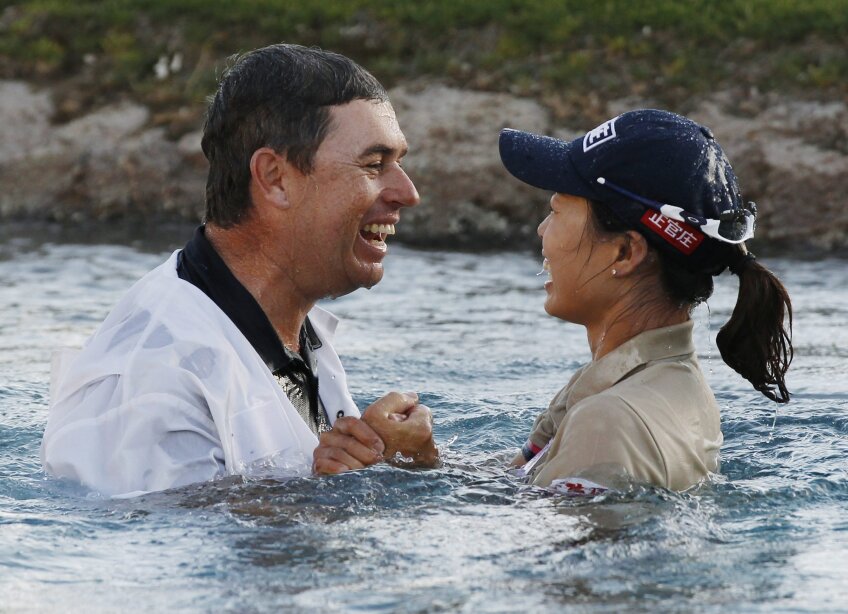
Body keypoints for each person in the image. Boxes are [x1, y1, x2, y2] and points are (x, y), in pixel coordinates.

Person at [41, 43, 438, 497]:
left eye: (399, 163)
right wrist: (324, 496)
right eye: (374, 164)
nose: (407, 192)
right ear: (274, 177)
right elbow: (168, 549)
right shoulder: (155, 378)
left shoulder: (284, 326)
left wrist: (409, 462)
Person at [498, 109, 793, 492]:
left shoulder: (608, 424)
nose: (542, 231)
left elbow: (562, 545)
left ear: (624, 253)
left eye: (555, 211)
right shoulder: (642, 384)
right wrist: (421, 459)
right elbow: (514, 482)